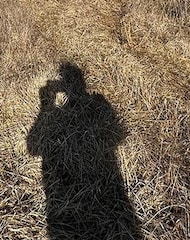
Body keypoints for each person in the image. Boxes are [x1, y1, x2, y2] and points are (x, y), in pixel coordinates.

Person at [27, 62, 141, 239]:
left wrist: (46, 104)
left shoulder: (94, 104)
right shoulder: (97, 103)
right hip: (108, 194)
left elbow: (33, 148)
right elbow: (117, 135)